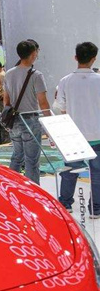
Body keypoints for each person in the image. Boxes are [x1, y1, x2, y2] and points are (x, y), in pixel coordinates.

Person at [55, 42, 100, 217]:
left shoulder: (65, 81)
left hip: (72, 135)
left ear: (75, 57)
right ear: (94, 58)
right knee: (97, 173)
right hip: (97, 133)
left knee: (70, 171)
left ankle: (65, 204)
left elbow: (60, 106)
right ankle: (95, 208)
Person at [4, 40, 51, 184]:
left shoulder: (9, 73)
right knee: (32, 160)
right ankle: (33, 192)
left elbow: (6, 100)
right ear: (33, 54)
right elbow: (43, 102)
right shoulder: (36, 75)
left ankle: (11, 186)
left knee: (17, 156)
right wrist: (50, 123)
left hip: (14, 121)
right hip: (30, 120)